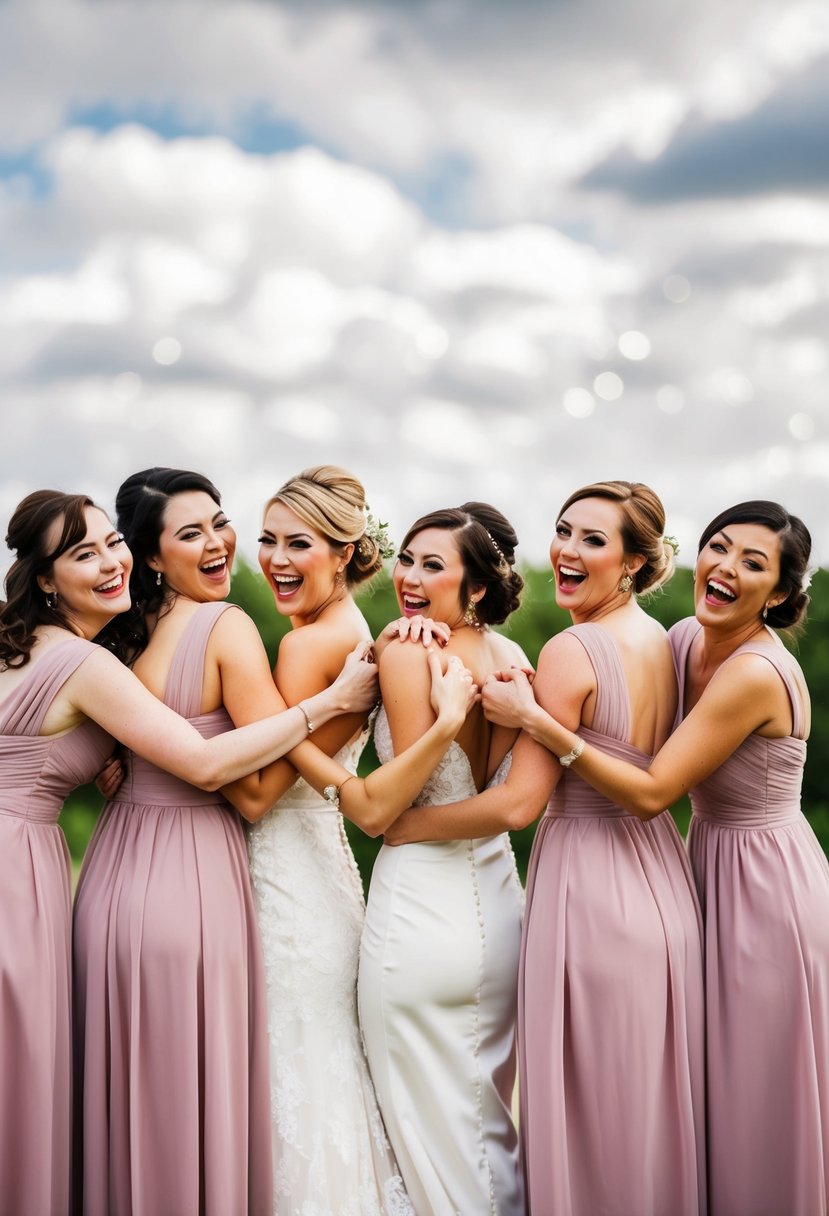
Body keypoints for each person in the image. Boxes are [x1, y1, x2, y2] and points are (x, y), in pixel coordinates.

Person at [77, 466, 475, 1216]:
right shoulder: (328, 633)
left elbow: (259, 793)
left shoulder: (286, 647)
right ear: (154, 554)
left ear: (346, 549)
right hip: (295, 880)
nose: (271, 558)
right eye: (266, 539)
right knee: (308, 1081)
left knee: (283, 1080)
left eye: (299, 544)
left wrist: (158, 753)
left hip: (277, 886)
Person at [0, 489, 375, 1216]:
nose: (110, 562)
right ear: (45, 578)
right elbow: (219, 775)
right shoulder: (100, 654)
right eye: (86, 553)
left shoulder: (80, 640)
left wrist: (117, 761)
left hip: (96, 874)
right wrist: (329, 704)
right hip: (64, 873)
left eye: (110, 543)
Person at [385, 481, 707, 1216]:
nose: (566, 549)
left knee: (590, 1122)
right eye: (564, 531)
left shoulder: (569, 649)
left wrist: (402, 826)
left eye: (594, 540)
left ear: (633, 563)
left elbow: (517, 804)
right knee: (644, 1119)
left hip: (591, 893)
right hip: (662, 884)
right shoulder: (663, 641)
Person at [497, 500, 827, 1216]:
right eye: (718, 546)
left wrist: (540, 723)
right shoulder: (681, 638)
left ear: (776, 595)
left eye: (752, 563)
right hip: (701, 863)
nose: (725, 567)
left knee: (754, 1099)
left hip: (766, 887)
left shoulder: (753, 673)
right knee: (706, 1089)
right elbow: (626, 721)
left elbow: (649, 791)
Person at [357, 502, 529, 1216]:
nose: (409, 576)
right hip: (495, 902)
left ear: (477, 586)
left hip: (420, 909)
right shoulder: (514, 659)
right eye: (406, 558)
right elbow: (515, 801)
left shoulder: (406, 652)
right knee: (483, 1108)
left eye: (434, 565)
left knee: (420, 1121)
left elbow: (388, 811)